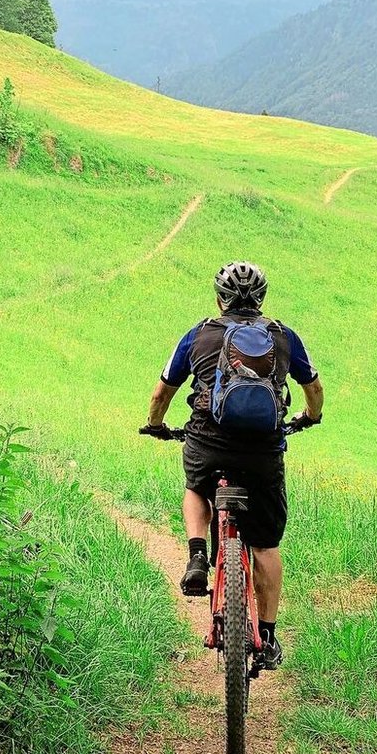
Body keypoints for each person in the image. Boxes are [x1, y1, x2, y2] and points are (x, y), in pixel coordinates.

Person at [140, 261, 324, 671]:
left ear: (219, 298)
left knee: (196, 486)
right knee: (266, 545)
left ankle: (196, 556)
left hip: (209, 443)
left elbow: (161, 393)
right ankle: (269, 635)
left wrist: (155, 426)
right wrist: (311, 417)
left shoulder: (199, 335)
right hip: (263, 453)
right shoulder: (283, 337)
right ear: (262, 299)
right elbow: (314, 388)